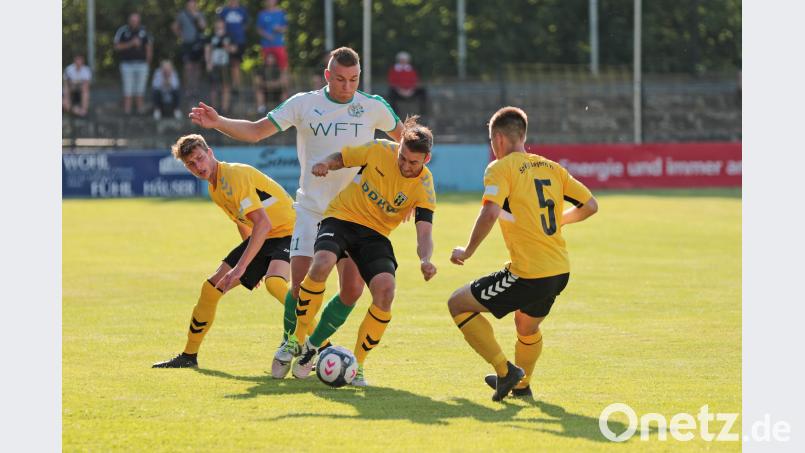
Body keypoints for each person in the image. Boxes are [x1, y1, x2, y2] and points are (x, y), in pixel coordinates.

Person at [189, 46, 403, 380]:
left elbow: (406, 144)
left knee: (352, 291)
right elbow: (257, 130)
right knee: (300, 287)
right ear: (327, 75)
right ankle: (290, 341)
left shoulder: (373, 106)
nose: (347, 86)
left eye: (354, 79)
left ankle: (312, 347)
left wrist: (403, 191)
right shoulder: (303, 104)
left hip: (356, 215)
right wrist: (218, 123)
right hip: (312, 210)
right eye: (341, 79)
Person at [447, 106, 598, 402]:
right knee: (526, 326)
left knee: (458, 304)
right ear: (523, 136)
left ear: (499, 139)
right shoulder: (552, 167)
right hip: (559, 270)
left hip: (529, 273)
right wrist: (558, 221)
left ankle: (505, 371)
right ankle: (522, 386)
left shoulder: (499, 168)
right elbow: (590, 205)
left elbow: (490, 211)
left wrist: (468, 250)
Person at [284, 117, 438, 386]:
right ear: (399, 146)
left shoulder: (425, 186)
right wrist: (326, 164)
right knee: (321, 263)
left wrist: (425, 259)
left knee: (385, 291)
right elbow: (343, 157)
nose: (405, 165)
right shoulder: (379, 149)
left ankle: (353, 364)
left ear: (426, 159)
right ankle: (296, 339)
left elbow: (424, 232)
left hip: (375, 234)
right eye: (402, 157)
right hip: (341, 218)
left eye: (413, 162)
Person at [152, 133, 297, 368]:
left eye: (200, 158)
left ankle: (322, 345)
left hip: (293, 231)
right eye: (191, 164)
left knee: (275, 284)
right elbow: (243, 223)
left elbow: (263, 223)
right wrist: (251, 264)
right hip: (267, 235)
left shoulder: (233, 175)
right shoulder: (215, 188)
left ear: (210, 153)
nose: (198, 166)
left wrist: (241, 268)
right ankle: (189, 356)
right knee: (211, 289)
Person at [113, 12, 153, 115]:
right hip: (127, 64)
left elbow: (149, 48)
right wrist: (131, 43)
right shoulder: (122, 31)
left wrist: (147, 64)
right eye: (132, 20)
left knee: (140, 89)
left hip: (142, 65)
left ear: (139, 21)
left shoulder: (144, 31)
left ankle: (140, 111)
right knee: (128, 89)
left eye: (136, 21)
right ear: (129, 21)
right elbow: (117, 46)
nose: (134, 23)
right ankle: (127, 112)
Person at [173, 0, 207, 105]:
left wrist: (198, 17)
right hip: (186, 44)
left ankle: (195, 88)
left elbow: (203, 27)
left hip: (197, 43)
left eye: (194, 4)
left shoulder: (200, 14)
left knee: (197, 67)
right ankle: (188, 88)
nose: (192, 5)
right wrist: (181, 35)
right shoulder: (182, 15)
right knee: (188, 67)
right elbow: (175, 27)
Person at [256, 0, 289, 106]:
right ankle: (265, 91)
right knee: (266, 67)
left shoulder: (281, 13)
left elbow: (286, 28)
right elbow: (259, 29)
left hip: (279, 45)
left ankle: (284, 88)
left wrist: (280, 29)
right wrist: (267, 35)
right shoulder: (262, 14)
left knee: (283, 67)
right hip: (266, 45)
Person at [205, 18, 236, 114]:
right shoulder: (211, 37)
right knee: (214, 87)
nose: (219, 28)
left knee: (226, 87)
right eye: (218, 26)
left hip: (225, 65)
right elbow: (207, 49)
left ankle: (224, 109)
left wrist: (227, 46)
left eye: (221, 26)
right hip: (214, 65)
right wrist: (208, 63)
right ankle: (214, 109)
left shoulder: (229, 36)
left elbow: (234, 49)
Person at [218, 0, 249, 93]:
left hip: (239, 41)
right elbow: (220, 25)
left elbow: (246, 24)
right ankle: (225, 85)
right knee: (225, 63)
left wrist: (239, 32)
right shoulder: (224, 11)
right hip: (226, 41)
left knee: (236, 63)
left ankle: (236, 86)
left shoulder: (242, 11)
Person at [387, 51, 427, 117]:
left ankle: (423, 111)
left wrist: (411, 89)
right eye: (401, 60)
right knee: (391, 92)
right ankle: (394, 114)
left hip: (410, 91)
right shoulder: (394, 69)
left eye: (405, 60)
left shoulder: (411, 69)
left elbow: (415, 81)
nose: (403, 61)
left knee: (422, 91)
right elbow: (392, 82)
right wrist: (400, 90)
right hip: (399, 91)